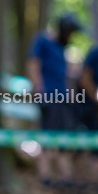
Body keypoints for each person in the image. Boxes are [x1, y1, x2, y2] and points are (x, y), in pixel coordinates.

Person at [27, 13, 81, 184]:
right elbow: (33, 62)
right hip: (49, 97)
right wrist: (37, 85)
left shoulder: (61, 48)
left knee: (64, 136)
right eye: (70, 32)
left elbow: (65, 73)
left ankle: (65, 176)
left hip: (63, 99)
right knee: (47, 136)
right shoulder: (43, 40)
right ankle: (46, 175)